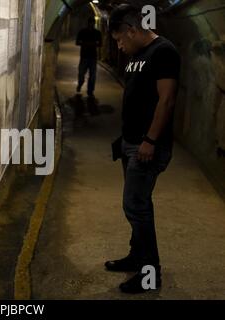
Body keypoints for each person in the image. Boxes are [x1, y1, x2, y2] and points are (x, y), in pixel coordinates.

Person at [105, 4, 181, 293]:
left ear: (132, 30)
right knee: (136, 206)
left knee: (136, 206)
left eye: (120, 40)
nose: (120, 46)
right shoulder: (139, 54)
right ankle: (137, 257)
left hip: (146, 146)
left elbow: (167, 100)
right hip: (131, 142)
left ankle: (151, 274)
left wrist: (149, 141)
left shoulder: (164, 52)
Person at [76, 17, 102, 97]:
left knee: (92, 76)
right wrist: (85, 44)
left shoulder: (97, 33)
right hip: (84, 56)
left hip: (93, 57)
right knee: (81, 74)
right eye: (90, 23)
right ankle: (80, 83)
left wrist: (93, 44)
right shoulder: (83, 32)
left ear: (94, 24)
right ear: (88, 23)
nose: (91, 25)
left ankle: (90, 91)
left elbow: (100, 44)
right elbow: (77, 42)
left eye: (92, 23)